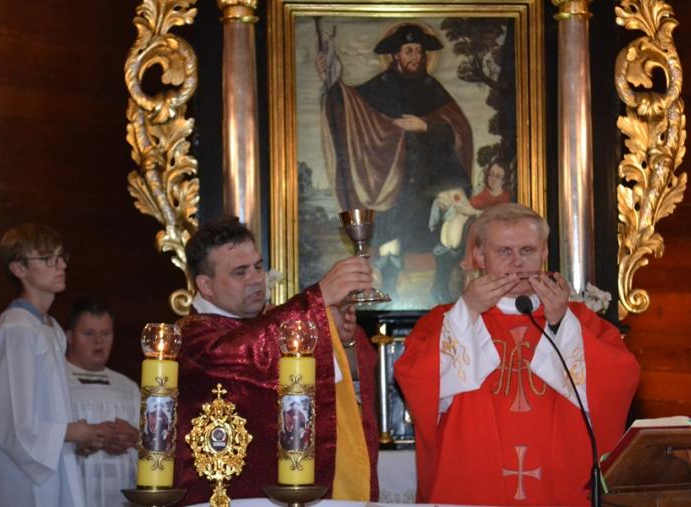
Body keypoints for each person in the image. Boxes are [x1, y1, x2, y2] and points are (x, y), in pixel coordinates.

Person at [394, 203, 640, 506]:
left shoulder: (579, 320)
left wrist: (561, 323)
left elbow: (620, 378)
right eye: (504, 251)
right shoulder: (445, 320)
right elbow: (415, 377)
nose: (517, 263)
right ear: (479, 255)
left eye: (527, 250)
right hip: (472, 481)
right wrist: (467, 311)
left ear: (544, 252)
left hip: (559, 483)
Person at [174, 217, 380, 505]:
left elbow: (354, 375)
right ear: (205, 285)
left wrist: (341, 340)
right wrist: (317, 301)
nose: (256, 279)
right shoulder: (189, 339)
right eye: (240, 272)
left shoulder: (273, 321)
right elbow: (239, 356)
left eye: (258, 267)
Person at [317, 23, 473, 302]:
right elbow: (352, 107)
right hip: (393, 180)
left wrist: (425, 125)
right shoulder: (381, 86)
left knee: (445, 232)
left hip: (430, 180)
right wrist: (330, 82)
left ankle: (440, 289)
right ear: (396, 55)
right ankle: (387, 288)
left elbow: (458, 128)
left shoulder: (432, 88)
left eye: (419, 51)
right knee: (390, 236)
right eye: (409, 51)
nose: (416, 57)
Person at [0, 224, 104, 507]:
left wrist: (76, 437)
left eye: (61, 257)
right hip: (20, 477)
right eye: (48, 259)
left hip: (51, 460)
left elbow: (50, 405)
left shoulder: (51, 328)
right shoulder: (17, 328)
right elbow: (8, 418)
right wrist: (69, 432)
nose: (61, 265)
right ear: (19, 269)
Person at [65, 298, 140, 507]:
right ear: (70, 337)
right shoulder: (56, 381)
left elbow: (153, 446)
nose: (98, 342)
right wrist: (90, 437)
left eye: (105, 334)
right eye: (89, 334)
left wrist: (133, 437)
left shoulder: (128, 387)